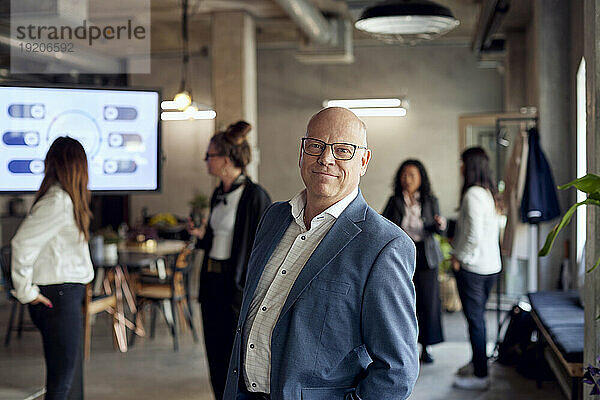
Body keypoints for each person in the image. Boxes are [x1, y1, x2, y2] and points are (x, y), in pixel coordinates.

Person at [223, 107, 419, 400]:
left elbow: (397, 370)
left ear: (363, 161)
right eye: (315, 146)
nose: (326, 159)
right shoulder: (274, 217)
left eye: (343, 150)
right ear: (302, 152)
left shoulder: (383, 246)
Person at [187, 121, 271, 400]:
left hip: (235, 287)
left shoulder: (254, 196)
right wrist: (201, 235)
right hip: (212, 282)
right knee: (213, 351)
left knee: (234, 354)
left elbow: (260, 248)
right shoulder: (217, 193)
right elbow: (216, 239)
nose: (205, 160)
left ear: (225, 159)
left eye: (209, 155)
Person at [11, 137, 94, 400]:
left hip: (64, 296)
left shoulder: (64, 199)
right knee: (62, 384)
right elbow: (21, 244)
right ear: (77, 166)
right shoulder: (59, 201)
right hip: (58, 298)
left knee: (64, 381)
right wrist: (26, 291)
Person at [382, 159, 446, 364]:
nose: (407, 179)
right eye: (404, 175)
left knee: (427, 302)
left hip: (426, 255)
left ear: (421, 178)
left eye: (412, 175)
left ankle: (426, 347)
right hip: (401, 255)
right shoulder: (395, 200)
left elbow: (439, 229)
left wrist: (439, 225)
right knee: (403, 302)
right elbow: (383, 224)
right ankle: (403, 345)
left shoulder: (430, 200)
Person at [451, 147, 501, 391]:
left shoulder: (472, 194)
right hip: (491, 266)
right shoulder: (486, 193)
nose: (459, 167)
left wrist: (459, 257)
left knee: (475, 321)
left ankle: (480, 375)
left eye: (461, 162)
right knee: (479, 319)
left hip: (474, 268)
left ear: (469, 165)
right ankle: (478, 361)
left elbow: (473, 235)